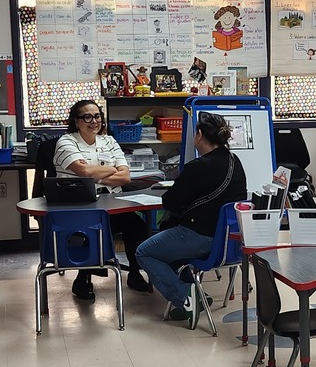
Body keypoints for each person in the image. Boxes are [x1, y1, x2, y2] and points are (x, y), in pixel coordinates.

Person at [136, 113, 247, 329]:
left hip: (199, 237)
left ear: (199, 135)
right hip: (227, 241)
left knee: (145, 252)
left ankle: (187, 298)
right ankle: (197, 295)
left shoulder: (198, 167)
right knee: (167, 251)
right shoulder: (234, 161)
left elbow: (171, 202)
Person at [54, 100, 151, 300]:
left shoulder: (109, 141)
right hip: (80, 206)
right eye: (87, 117)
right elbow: (84, 171)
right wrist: (111, 169)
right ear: (76, 121)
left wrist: (93, 175)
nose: (94, 121)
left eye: (97, 116)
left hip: (112, 202)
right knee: (95, 229)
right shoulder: (66, 142)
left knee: (138, 227)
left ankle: (135, 273)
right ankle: (83, 279)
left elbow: (125, 177)